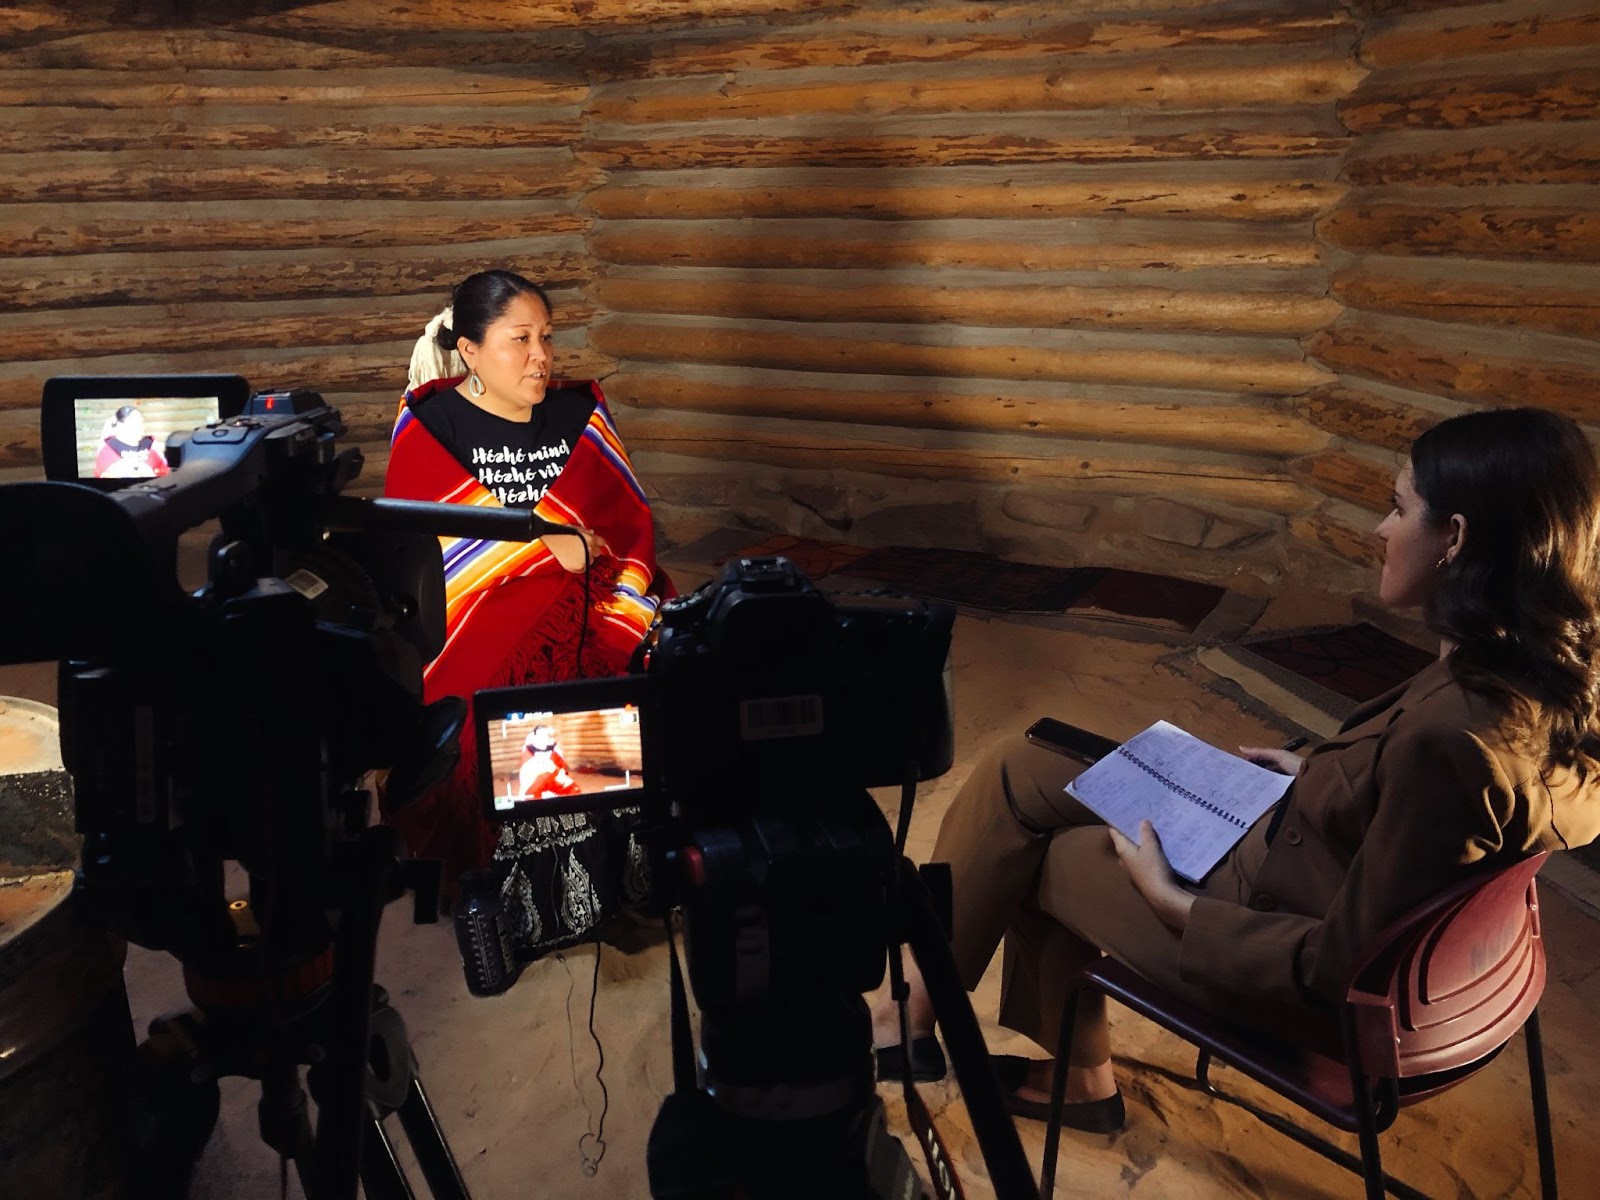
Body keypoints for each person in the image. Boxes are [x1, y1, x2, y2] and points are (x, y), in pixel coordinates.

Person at [873, 406, 1600, 1134]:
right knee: (1019, 767)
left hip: (1281, 952)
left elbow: (1338, 969)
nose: (1380, 530)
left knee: (1032, 853)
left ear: (1456, 538)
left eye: (1398, 508)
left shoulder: (1453, 742)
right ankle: (915, 1014)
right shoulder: (1533, 674)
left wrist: (1173, 905)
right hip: (1309, 864)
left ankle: (1037, 1066)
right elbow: (1421, 806)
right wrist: (1316, 774)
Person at [384, 268, 669, 958]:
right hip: (479, 622)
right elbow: (426, 562)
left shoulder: (581, 415)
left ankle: (612, 883)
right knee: (502, 703)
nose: (541, 356)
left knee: (651, 676)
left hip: (594, 610)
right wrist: (546, 555)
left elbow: (627, 530)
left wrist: (583, 568)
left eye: (546, 337)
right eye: (519, 340)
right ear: (470, 350)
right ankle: (515, 894)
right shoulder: (430, 425)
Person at [95, 405, 170, 479]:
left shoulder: (151, 445)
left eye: (141, 422)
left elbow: (164, 471)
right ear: (120, 425)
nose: (141, 426)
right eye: (134, 422)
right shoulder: (108, 448)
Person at [519, 725, 583, 799]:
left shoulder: (554, 749)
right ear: (535, 736)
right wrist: (543, 769)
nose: (544, 738)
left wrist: (561, 773)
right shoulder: (528, 751)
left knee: (574, 789)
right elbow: (526, 776)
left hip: (554, 781)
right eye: (541, 735)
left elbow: (561, 766)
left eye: (546, 735)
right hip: (535, 785)